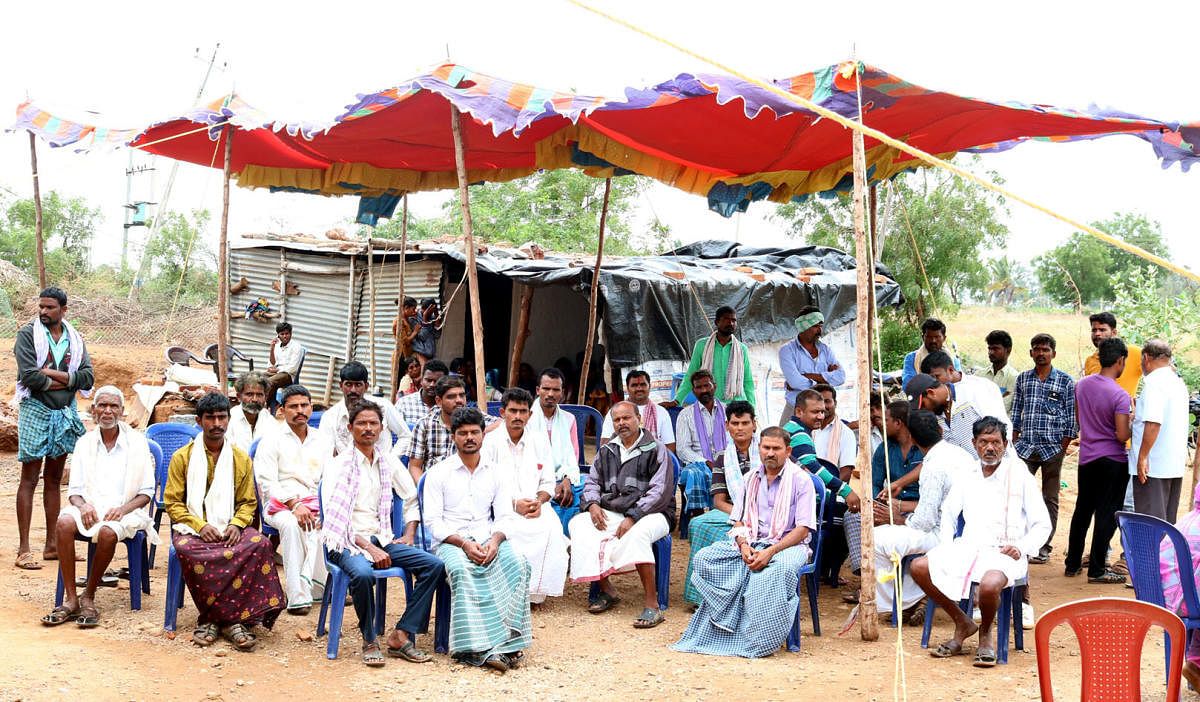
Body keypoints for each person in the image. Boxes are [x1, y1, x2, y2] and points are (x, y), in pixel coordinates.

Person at [911, 417, 1051, 668]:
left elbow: (1043, 524)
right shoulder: (967, 474)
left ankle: (986, 634)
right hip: (968, 548)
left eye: (996, 442)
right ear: (974, 444)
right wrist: (946, 545)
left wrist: (1021, 547)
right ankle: (962, 621)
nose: (990, 448)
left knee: (988, 585)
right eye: (984, 442)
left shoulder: (1020, 476)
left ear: (1005, 444)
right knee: (919, 567)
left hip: (1006, 552)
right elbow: (949, 513)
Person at [671, 426, 817, 658]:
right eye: (766, 447)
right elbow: (738, 522)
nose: (770, 453)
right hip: (752, 543)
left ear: (787, 451)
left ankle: (758, 640)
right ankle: (727, 625)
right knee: (705, 559)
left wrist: (770, 552)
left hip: (788, 546)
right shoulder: (750, 479)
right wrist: (743, 546)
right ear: (759, 449)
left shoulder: (802, 481)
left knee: (774, 572)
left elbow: (803, 529)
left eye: (776, 448)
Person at [320, 401, 443, 666]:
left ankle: (401, 634)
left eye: (373, 423)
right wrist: (369, 548)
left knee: (433, 565)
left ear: (382, 428)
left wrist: (410, 533)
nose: (368, 429)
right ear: (350, 428)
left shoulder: (387, 461)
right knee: (363, 573)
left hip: (382, 538)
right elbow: (334, 518)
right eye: (361, 423)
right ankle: (368, 639)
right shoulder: (337, 465)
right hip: (344, 541)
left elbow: (411, 498)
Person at [164, 392, 284, 651]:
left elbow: (248, 502)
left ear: (228, 420)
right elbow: (173, 503)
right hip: (194, 529)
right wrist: (200, 526)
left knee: (260, 544)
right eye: (210, 418)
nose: (216, 423)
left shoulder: (240, 458)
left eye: (222, 417)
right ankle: (231, 621)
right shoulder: (181, 458)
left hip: (229, 527)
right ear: (199, 421)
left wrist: (237, 524)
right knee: (186, 549)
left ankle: (214, 620)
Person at [424, 407, 531, 673]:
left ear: (483, 435)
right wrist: (463, 544)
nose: (469, 437)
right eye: (463, 433)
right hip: (451, 541)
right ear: (453, 437)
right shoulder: (439, 472)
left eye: (474, 432)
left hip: (487, 536)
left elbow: (506, 516)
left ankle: (505, 642)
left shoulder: (497, 472)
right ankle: (474, 649)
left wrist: (494, 542)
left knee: (519, 563)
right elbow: (433, 523)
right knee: (462, 569)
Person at [40, 386, 157, 627]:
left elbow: (146, 492)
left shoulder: (137, 443)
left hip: (127, 510)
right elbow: (74, 492)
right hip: (91, 507)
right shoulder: (85, 442)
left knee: (107, 532)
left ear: (122, 411)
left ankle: (89, 594)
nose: (107, 411)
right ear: (93, 410)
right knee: (63, 522)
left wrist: (122, 510)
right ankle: (71, 599)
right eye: (102, 405)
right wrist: (83, 507)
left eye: (113, 406)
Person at [569, 401, 676, 628]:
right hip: (615, 510)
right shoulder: (607, 450)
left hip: (654, 513)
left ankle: (652, 605)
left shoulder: (656, 449)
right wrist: (593, 505)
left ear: (639, 419)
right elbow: (592, 483)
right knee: (579, 524)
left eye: (627, 418)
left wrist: (633, 516)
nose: (622, 423)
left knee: (637, 534)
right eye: (617, 420)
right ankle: (607, 589)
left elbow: (660, 493)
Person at [14, 286, 94, 570]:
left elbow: (87, 378)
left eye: (50, 308)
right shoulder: (27, 335)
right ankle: (24, 548)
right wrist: (68, 380)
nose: (43, 312)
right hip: (36, 410)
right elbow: (29, 378)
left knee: (54, 478)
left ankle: (52, 545)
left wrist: (50, 373)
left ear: (63, 309)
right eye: (41, 307)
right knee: (30, 477)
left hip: (65, 412)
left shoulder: (75, 338)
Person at [872, 410, 974, 623]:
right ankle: (917, 595)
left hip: (946, 534)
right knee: (897, 540)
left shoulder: (933, 466)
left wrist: (897, 519)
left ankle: (907, 600)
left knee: (876, 538)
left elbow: (924, 522)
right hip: (968, 530)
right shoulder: (960, 453)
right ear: (939, 431)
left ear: (913, 439)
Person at [481, 387, 569, 604]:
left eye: (523, 411)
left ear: (530, 415)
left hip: (533, 505)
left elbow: (548, 482)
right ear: (502, 412)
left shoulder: (539, 441)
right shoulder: (490, 442)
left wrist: (538, 502)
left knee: (552, 530)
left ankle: (535, 596)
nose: (518, 417)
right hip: (499, 508)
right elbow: (483, 487)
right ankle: (507, 594)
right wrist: (512, 505)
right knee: (508, 532)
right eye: (513, 411)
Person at [254, 385, 332, 614]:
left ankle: (319, 588)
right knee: (290, 523)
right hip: (279, 503)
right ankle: (297, 596)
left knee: (323, 523)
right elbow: (266, 481)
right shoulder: (271, 439)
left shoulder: (322, 439)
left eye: (304, 405)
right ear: (281, 410)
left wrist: (324, 507)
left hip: (315, 502)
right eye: (294, 406)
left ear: (311, 408)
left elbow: (329, 477)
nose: (300, 411)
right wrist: (294, 504)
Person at [1065, 338, 1131, 584]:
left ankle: (1072, 563)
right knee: (1106, 514)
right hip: (1113, 460)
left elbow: (1080, 419)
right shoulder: (1120, 395)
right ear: (1120, 360)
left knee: (1083, 509)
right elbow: (1122, 435)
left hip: (1087, 457)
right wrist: (1134, 425)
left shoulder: (1081, 385)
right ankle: (1097, 569)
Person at [682, 400, 758, 607]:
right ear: (727, 426)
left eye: (744, 423)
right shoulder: (723, 457)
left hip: (766, 511)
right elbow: (718, 502)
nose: (740, 428)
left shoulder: (768, 449)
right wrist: (741, 516)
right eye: (735, 423)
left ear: (754, 424)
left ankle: (737, 594)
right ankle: (703, 598)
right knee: (698, 525)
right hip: (733, 511)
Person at [1010, 334, 1077, 563]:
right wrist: (1014, 441)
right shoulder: (1023, 380)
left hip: (1052, 449)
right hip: (1025, 447)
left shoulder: (1066, 381)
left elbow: (1071, 418)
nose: (1041, 353)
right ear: (1031, 353)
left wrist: (1063, 445)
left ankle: (1043, 546)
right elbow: (1016, 412)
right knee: (1018, 496)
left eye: (1045, 349)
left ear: (1053, 354)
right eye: (1036, 349)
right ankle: (1020, 543)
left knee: (1050, 498)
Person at [1130, 339, 1189, 523]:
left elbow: (1153, 423)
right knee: (1166, 520)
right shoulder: (1177, 382)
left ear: (1146, 357)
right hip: (1172, 464)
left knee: (1150, 522)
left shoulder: (1154, 382)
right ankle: (1162, 553)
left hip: (1153, 467)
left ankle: (1150, 553)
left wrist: (1142, 457)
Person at [810, 383, 858, 587]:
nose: (824, 407)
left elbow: (846, 471)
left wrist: (827, 488)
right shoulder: (804, 431)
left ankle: (830, 570)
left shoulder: (844, 433)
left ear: (835, 403)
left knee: (844, 516)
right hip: (805, 492)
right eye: (818, 403)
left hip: (833, 492)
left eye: (827, 401)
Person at [783, 389, 861, 513]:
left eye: (822, 412)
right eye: (815, 412)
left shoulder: (790, 428)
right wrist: (845, 491)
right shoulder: (799, 434)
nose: (820, 416)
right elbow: (811, 467)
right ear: (798, 412)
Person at [407, 375, 497, 483]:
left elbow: (502, 423)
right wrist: (425, 490)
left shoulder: (474, 418)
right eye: (451, 397)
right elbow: (415, 467)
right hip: (434, 485)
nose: (459, 400)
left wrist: (480, 432)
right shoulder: (424, 424)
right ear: (439, 401)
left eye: (462, 395)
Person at [525, 368, 582, 532]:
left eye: (556, 390)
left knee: (575, 492)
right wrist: (549, 483)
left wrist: (566, 480)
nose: (550, 394)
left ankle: (565, 543)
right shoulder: (526, 416)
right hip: (534, 477)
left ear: (562, 393)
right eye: (546, 388)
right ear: (538, 390)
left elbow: (573, 458)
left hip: (562, 476)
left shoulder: (568, 419)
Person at [318, 361, 411, 458]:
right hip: (347, 470)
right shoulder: (330, 417)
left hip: (381, 469)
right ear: (341, 386)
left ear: (366, 386)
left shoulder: (383, 406)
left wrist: (390, 461)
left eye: (358, 385)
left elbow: (406, 436)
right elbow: (325, 452)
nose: (353, 390)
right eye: (348, 384)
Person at [1158, 481, 1200, 690]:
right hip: (1186, 602)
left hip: (1161, 595)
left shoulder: (1186, 520)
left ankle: (1195, 662)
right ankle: (1197, 661)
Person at [673, 306, 755, 408]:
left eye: (734, 320)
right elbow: (691, 375)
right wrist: (677, 400)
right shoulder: (702, 345)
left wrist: (752, 411)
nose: (731, 323)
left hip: (736, 406)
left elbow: (748, 382)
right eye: (726, 319)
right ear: (716, 322)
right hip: (710, 405)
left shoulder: (742, 349)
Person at [777, 306, 844, 424]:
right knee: (785, 440)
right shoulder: (787, 350)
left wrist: (808, 376)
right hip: (796, 409)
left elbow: (841, 376)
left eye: (820, 326)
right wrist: (825, 381)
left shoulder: (825, 350)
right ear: (803, 327)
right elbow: (795, 382)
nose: (819, 330)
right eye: (815, 326)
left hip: (821, 411)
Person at [675, 370, 727, 521]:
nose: (704, 390)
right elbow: (682, 449)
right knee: (695, 474)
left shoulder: (728, 410)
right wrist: (706, 462)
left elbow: (736, 441)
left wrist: (723, 461)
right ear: (693, 391)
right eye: (699, 387)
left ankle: (721, 515)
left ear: (714, 387)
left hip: (726, 461)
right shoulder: (685, 415)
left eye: (707, 386)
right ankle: (700, 519)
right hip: (697, 463)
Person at [921, 350, 1011, 430]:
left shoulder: (980, 387)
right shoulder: (935, 396)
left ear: (951, 370)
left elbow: (998, 426)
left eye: (936, 376)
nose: (933, 382)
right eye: (929, 379)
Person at [906, 374, 983, 456]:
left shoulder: (970, 394)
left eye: (923, 405)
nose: (923, 411)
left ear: (931, 393)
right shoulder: (935, 415)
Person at [601, 369, 676, 453]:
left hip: (653, 461)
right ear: (627, 388)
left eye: (643, 384)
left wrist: (659, 462)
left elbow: (670, 445)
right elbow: (605, 443)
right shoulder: (616, 411)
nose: (639, 388)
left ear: (649, 387)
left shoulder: (661, 412)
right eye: (634, 385)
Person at [872, 401, 923, 505]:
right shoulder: (883, 448)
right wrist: (878, 505)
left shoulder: (924, 447)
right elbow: (875, 484)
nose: (882, 424)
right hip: (891, 506)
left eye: (886, 420)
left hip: (919, 508)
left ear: (898, 423)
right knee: (851, 516)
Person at [1083, 312, 1142, 400]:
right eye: (1094, 330)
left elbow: (1161, 373)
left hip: (1125, 412)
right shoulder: (1090, 360)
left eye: (1102, 330)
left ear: (1114, 332)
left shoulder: (1134, 353)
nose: (1097, 334)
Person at [901, 318, 961, 390]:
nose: (933, 341)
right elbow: (908, 385)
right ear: (923, 337)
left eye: (937, 337)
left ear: (944, 338)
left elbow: (958, 382)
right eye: (929, 337)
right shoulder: (912, 358)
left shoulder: (952, 360)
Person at [227, 371, 277, 452]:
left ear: (266, 397)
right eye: (249, 394)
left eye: (259, 395)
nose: (255, 399)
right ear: (239, 397)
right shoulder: (230, 420)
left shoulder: (269, 421)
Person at [395, 359, 449, 425]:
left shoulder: (448, 406)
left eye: (437, 382)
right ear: (421, 380)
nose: (432, 385)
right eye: (428, 380)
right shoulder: (403, 404)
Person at [980, 330, 1018, 414]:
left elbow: (1003, 407)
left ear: (1008, 350)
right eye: (989, 348)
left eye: (995, 349)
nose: (991, 352)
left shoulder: (1014, 378)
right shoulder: (979, 375)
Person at [266, 322, 304, 396]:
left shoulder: (296, 347)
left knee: (268, 382)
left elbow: (293, 368)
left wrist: (278, 370)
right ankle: (269, 403)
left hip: (288, 375)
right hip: (276, 373)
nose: (285, 336)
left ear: (291, 334)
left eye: (287, 333)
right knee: (258, 378)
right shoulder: (276, 346)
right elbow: (272, 364)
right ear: (278, 335)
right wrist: (272, 348)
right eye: (282, 334)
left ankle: (264, 403)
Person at [411, 298, 441, 366]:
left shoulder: (432, 317)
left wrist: (436, 315)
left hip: (430, 355)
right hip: (420, 355)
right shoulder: (414, 318)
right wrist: (424, 319)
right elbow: (422, 337)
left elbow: (437, 335)